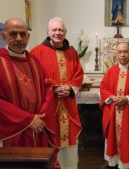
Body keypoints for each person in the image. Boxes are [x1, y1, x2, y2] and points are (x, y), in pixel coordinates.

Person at [0, 18, 56, 151]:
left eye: (23, 34)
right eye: (13, 34)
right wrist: (28, 120)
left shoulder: (36, 62)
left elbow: (48, 91)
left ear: (28, 37)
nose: (19, 38)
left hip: (38, 127)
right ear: (4, 36)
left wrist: (40, 118)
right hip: (11, 131)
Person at [30, 17, 83, 169]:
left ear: (65, 32)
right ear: (48, 32)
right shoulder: (36, 52)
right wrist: (52, 89)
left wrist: (70, 88)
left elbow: (78, 74)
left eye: (61, 30)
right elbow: (33, 80)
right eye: (54, 30)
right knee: (50, 141)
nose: (58, 33)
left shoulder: (72, 53)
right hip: (49, 107)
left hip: (68, 106)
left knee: (70, 146)